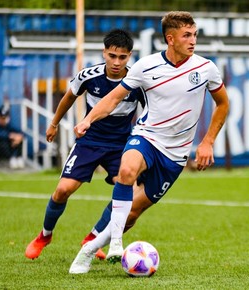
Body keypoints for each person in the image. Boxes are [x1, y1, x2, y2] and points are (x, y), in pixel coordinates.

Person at [69, 11, 229, 274]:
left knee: (132, 214)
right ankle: (116, 244)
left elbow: (223, 104)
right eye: (187, 35)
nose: (193, 41)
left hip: (175, 155)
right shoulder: (146, 66)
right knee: (127, 171)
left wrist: (208, 141)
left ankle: (88, 249)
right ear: (170, 38)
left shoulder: (205, 68)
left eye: (194, 35)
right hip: (146, 136)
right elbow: (113, 98)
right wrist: (88, 120)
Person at [24, 29, 145, 260]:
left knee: (126, 188)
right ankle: (45, 235)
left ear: (130, 56)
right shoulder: (88, 76)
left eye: (122, 57)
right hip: (89, 142)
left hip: (120, 144)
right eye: (112, 55)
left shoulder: (136, 83)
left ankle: (92, 237)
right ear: (104, 53)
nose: (116, 62)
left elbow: (148, 110)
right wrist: (54, 123)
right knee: (63, 190)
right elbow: (69, 96)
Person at [0, 104, 24, 169]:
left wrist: (18, 137)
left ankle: (18, 158)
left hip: (9, 144)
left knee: (18, 140)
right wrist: (9, 136)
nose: (2, 120)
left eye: (4, 118)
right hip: (1, 146)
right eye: (1, 117)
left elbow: (21, 133)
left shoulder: (10, 124)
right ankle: (11, 159)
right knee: (3, 143)